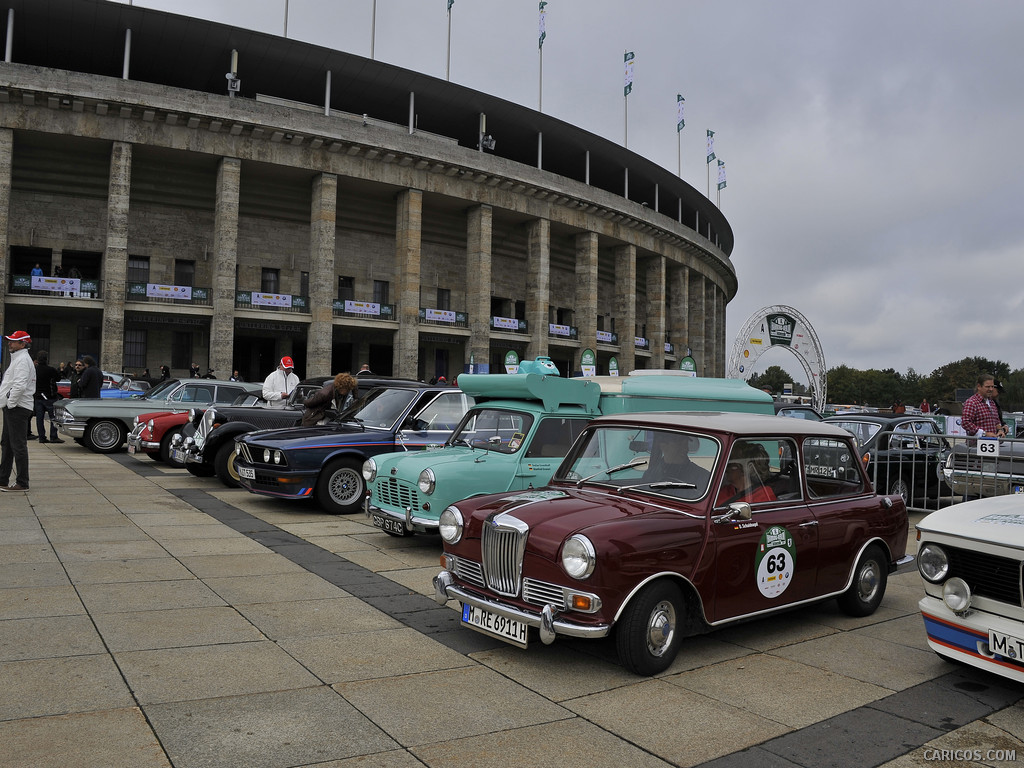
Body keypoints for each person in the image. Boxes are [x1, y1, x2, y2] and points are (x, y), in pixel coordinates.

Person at [0, 330, 36, 492]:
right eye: (10, 340)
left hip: (17, 408)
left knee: (17, 445)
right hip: (15, 407)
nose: (10, 343)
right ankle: (2, 479)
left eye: (13, 341)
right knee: (7, 445)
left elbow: (20, 385)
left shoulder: (22, 360)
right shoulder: (19, 359)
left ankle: (22, 482)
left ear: (23, 344)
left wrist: (11, 403)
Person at [641, 431, 712, 499]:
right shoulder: (650, 474)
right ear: (663, 445)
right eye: (679, 444)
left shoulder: (703, 477)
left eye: (686, 444)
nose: (685, 449)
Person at [716, 441, 777, 506]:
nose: (726, 468)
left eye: (731, 464)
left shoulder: (764, 495)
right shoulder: (725, 490)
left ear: (745, 468)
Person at [961, 374, 1006, 439]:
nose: (991, 389)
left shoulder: (992, 402)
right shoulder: (971, 402)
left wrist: (1000, 430)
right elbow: (965, 422)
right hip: (976, 445)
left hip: (992, 445)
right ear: (979, 386)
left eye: (992, 386)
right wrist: (984, 434)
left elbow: (996, 420)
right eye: (987, 387)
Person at [32, 350, 63, 443]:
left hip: (38, 396)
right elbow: (58, 378)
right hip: (50, 396)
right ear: (46, 359)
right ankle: (53, 436)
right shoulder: (50, 369)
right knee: (53, 417)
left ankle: (42, 437)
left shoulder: (35, 370)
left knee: (39, 418)